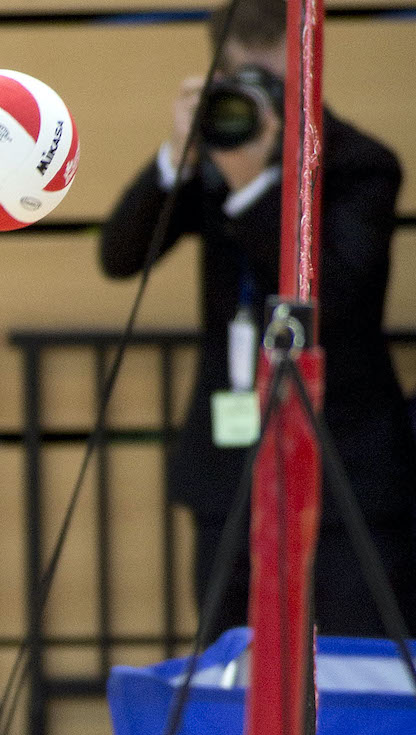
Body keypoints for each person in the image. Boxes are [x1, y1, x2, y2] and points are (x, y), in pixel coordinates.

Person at [100, 0, 416, 639]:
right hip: (231, 475)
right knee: (232, 675)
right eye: (247, 82)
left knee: (354, 677)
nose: (266, 99)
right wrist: (176, 160)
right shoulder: (215, 154)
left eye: (280, 79)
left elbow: (337, 296)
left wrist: (251, 189)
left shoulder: (361, 163)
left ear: (312, 64)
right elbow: (120, 255)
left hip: (344, 476)